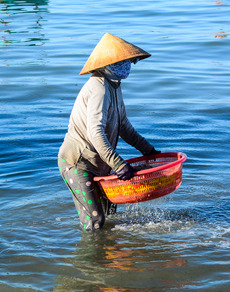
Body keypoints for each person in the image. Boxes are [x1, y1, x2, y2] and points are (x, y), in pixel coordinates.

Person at [58, 33, 160, 231]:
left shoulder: (114, 86)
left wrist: (149, 151)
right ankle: (90, 261)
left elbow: (123, 126)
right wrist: (119, 165)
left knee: (111, 216)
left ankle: (110, 257)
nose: (128, 65)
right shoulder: (98, 88)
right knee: (96, 222)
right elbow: (95, 132)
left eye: (129, 61)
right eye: (123, 62)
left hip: (100, 164)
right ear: (109, 64)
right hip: (77, 164)